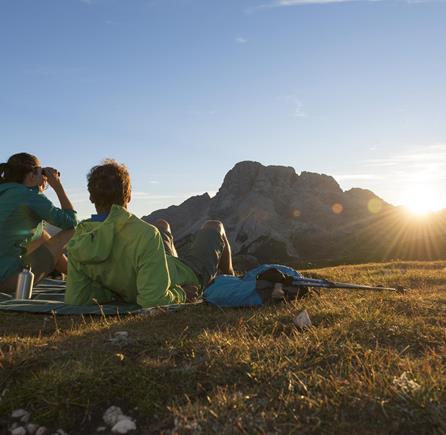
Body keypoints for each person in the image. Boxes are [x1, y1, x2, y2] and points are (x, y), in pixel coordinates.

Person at [65, 159, 234, 308]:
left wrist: (114, 293)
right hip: (188, 276)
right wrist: (182, 294)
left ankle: (177, 262)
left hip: (159, 267)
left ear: (91, 198)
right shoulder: (144, 233)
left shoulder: (80, 239)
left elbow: (77, 299)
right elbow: (154, 301)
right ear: (129, 196)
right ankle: (230, 278)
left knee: (162, 224)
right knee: (215, 225)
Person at [0, 152, 78, 293]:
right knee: (71, 230)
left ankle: (76, 275)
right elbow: (71, 222)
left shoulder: (6, 191)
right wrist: (57, 186)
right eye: (41, 173)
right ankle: (80, 276)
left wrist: (39, 187)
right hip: (6, 282)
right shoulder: (29, 195)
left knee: (41, 234)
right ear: (31, 176)